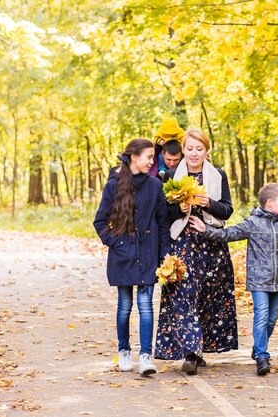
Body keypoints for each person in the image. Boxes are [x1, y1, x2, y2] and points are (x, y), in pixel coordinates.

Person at [189, 183, 278, 376]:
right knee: (261, 316)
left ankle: (259, 345)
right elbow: (227, 234)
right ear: (269, 203)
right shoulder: (253, 223)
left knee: (271, 319)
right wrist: (205, 229)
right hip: (259, 280)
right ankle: (262, 356)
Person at [154, 128, 238, 375]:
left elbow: (227, 210)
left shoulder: (218, 175)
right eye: (189, 148)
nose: (193, 153)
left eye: (198, 149)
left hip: (211, 245)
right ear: (183, 150)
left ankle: (200, 348)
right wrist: (181, 208)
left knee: (207, 298)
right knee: (182, 295)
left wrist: (207, 203)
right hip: (182, 244)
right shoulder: (169, 176)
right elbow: (164, 216)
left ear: (206, 151)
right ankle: (189, 352)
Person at [93, 138, 171, 375]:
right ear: (134, 157)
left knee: (146, 305)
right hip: (123, 255)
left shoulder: (155, 185)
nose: (152, 161)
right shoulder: (114, 185)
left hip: (148, 252)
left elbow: (162, 223)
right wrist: (118, 243)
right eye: (149, 157)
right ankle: (124, 351)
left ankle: (146, 356)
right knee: (125, 305)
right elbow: (100, 222)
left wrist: (164, 254)